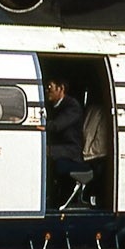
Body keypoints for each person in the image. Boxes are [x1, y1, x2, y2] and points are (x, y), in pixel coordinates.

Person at [44, 77, 85, 205]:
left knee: (44, 151)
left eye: (50, 87)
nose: (47, 91)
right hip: (59, 147)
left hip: (71, 149)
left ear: (61, 88)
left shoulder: (72, 106)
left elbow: (57, 125)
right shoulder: (53, 106)